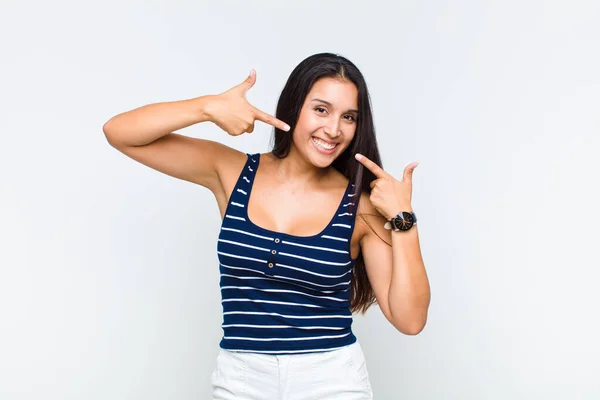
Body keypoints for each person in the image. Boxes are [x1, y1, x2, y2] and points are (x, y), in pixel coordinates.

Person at [103, 52, 430, 399]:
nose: (333, 130)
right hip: (241, 379)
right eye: (321, 109)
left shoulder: (359, 207)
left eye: (348, 117)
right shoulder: (231, 172)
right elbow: (120, 133)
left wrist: (403, 219)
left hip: (331, 381)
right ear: (294, 107)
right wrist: (207, 108)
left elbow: (409, 320)